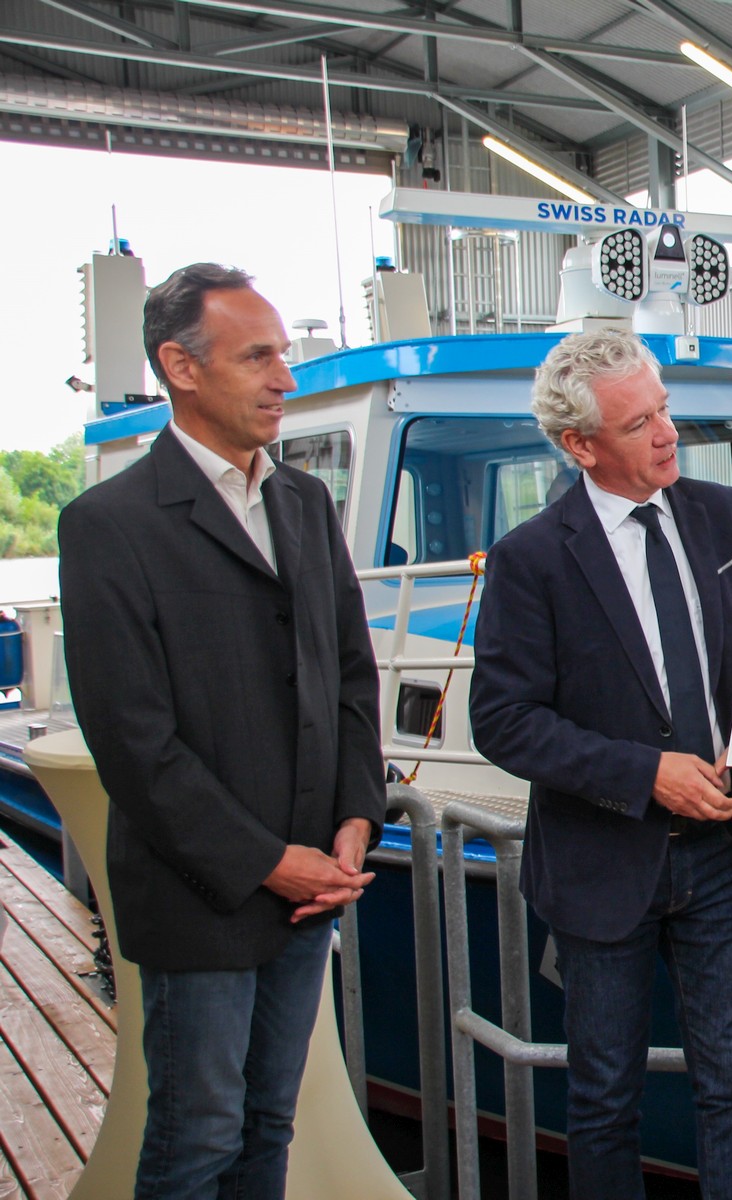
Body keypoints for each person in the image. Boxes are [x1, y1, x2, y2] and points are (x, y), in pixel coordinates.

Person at [58, 263, 385, 1198]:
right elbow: (132, 741)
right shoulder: (109, 526)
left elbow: (351, 677)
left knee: (266, 1129)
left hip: (309, 889)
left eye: (284, 353)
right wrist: (267, 861)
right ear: (181, 366)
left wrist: (354, 821)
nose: (287, 376)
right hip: (202, 896)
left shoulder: (306, 506)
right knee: (196, 1140)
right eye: (259, 356)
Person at [469, 330, 732, 1199]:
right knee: (605, 1099)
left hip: (721, 853)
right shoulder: (531, 559)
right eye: (640, 421)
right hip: (603, 864)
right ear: (579, 446)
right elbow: (501, 720)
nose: (667, 433)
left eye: (665, 408)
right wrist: (646, 772)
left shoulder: (723, 515)